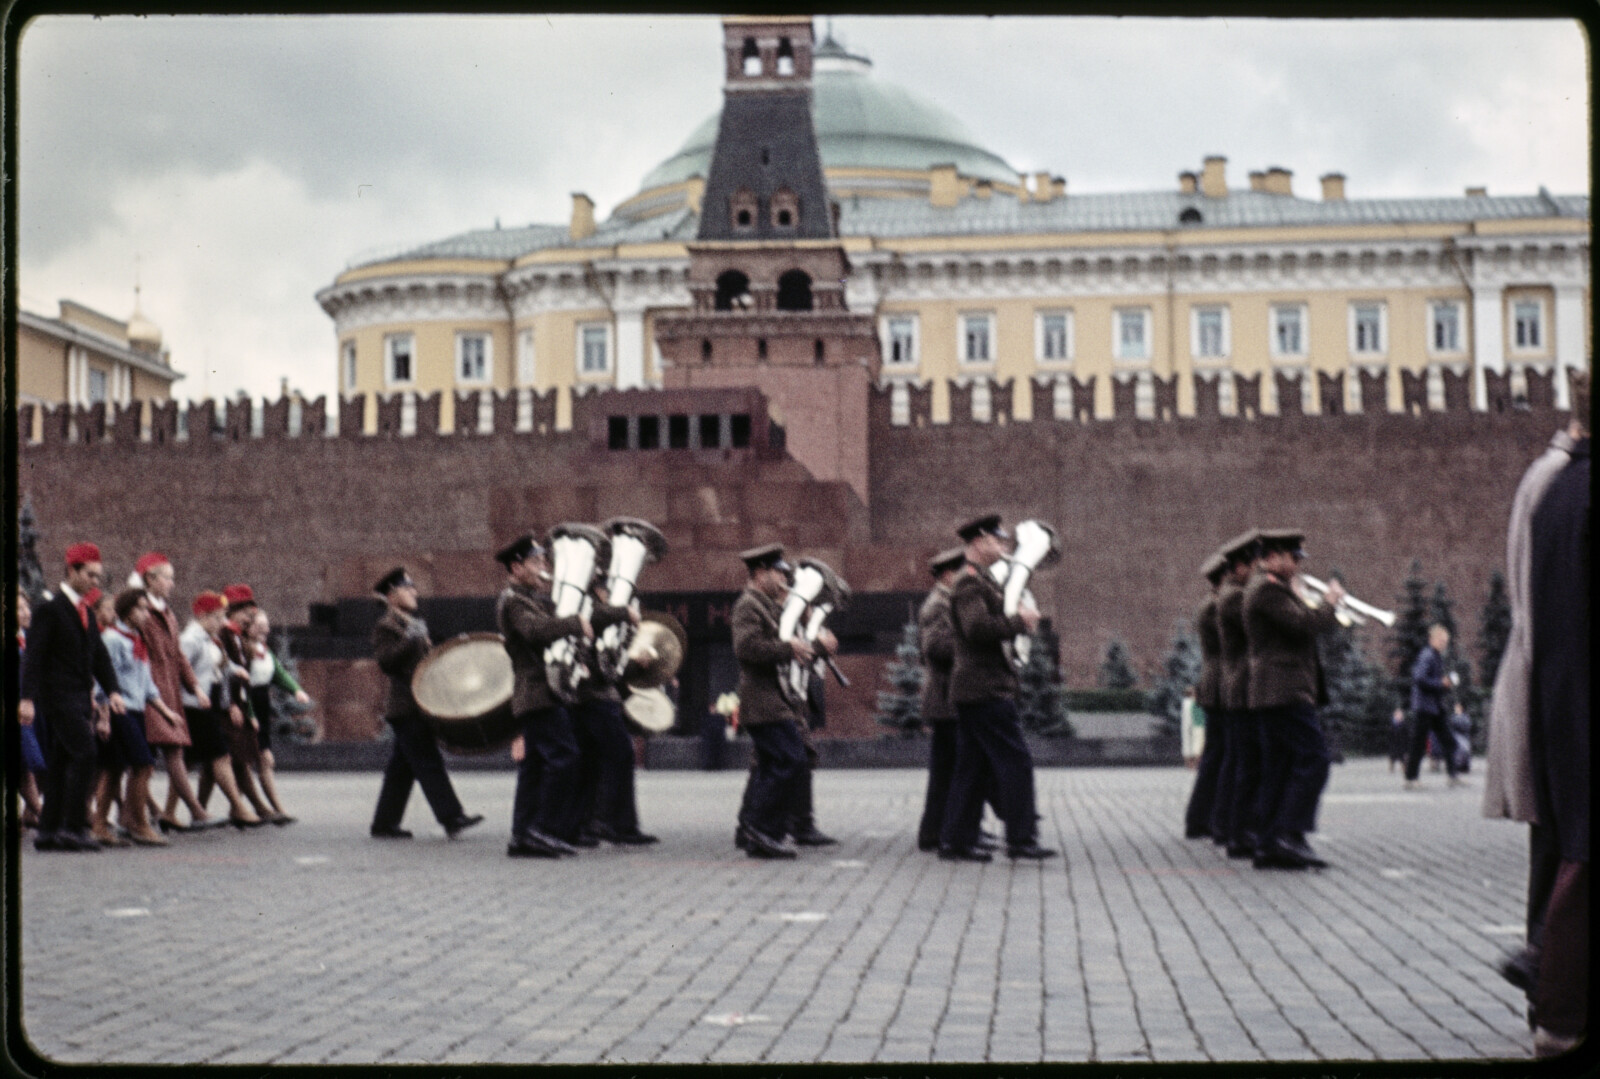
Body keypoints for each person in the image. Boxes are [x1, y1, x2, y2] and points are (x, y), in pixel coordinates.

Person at [1482, 383, 1584, 999]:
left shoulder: (1544, 479)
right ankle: (1550, 973)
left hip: (1549, 688)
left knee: (1558, 845)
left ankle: (1549, 985)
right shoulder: (1560, 481)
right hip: (1558, 685)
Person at [1525, 402, 1589, 1058]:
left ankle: (1556, 1001)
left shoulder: (1554, 491)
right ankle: (1559, 1006)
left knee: (1574, 851)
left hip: (1562, 697)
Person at [939, 514, 1055, 863]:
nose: (1003, 546)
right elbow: (976, 629)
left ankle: (956, 841)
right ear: (978, 542)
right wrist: (1020, 621)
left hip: (977, 688)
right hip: (984, 687)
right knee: (1015, 763)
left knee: (971, 769)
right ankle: (1021, 840)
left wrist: (1014, 614)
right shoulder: (969, 583)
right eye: (996, 540)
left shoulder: (982, 581)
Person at [1243, 529, 1343, 870]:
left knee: (1280, 767)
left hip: (1276, 692)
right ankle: (1289, 832)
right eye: (1293, 557)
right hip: (1283, 691)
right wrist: (1328, 603)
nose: (1298, 564)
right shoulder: (1267, 591)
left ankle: (1271, 843)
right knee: (1315, 758)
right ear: (1271, 558)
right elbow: (1304, 626)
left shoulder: (1275, 590)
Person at [24, 542, 127, 852]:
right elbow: (34, 657)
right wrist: (26, 698)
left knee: (61, 760)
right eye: (90, 575)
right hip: (57, 696)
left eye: (98, 576)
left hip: (80, 697)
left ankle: (48, 831)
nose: (96, 582)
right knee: (86, 753)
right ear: (72, 571)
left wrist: (113, 691)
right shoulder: (50, 609)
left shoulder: (85, 612)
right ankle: (73, 826)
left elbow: (99, 655)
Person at [369, 567, 483, 841]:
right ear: (392, 595)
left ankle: (384, 823)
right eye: (408, 588)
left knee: (402, 769)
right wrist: (411, 639)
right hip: (405, 706)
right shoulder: (387, 626)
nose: (414, 592)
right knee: (428, 761)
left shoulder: (412, 623)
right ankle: (451, 816)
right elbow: (386, 661)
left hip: (419, 703)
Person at [496, 537, 586, 858]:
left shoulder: (529, 599)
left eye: (543, 562)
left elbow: (550, 624)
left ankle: (523, 836)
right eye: (536, 563)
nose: (543, 569)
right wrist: (575, 622)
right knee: (564, 757)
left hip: (538, 693)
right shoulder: (513, 601)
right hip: (537, 693)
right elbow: (536, 631)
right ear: (516, 567)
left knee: (534, 766)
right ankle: (543, 830)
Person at [730, 544, 808, 860]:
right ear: (760, 572)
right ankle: (761, 829)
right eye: (778, 572)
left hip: (770, 698)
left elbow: (785, 642)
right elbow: (747, 648)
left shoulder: (766, 604)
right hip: (761, 700)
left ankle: (758, 831)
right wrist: (788, 648)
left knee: (770, 764)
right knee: (792, 759)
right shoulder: (749, 605)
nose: (783, 578)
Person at [131, 553, 216, 831]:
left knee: (154, 756)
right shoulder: (143, 612)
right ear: (150, 579)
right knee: (167, 751)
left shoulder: (166, 612)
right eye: (167, 577)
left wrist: (194, 687)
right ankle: (193, 811)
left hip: (168, 690)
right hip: (151, 691)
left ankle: (151, 813)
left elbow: (178, 655)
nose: (171, 584)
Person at [568, 580, 655, 847]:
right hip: (592, 696)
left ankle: (587, 824)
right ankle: (619, 825)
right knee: (620, 753)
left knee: (590, 761)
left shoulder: (604, 613)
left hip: (594, 696)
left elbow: (610, 663)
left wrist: (633, 660)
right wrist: (623, 613)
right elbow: (592, 619)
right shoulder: (589, 606)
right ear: (599, 589)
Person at [92, 588, 174, 847]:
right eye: (140, 609)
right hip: (119, 709)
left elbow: (147, 684)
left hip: (137, 709)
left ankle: (101, 824)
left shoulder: (137, 639)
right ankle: (137, 823)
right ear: (126, 611)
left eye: (147, 609)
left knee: (114, 767)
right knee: (143, 764)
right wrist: (103, 714)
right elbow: (102, 679)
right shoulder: (113, 640)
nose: (146, 615)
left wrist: (165, 710)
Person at [179, 592, 264, 828]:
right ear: (202, 616)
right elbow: (181, 670)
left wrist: (236, 670)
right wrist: (193, 692)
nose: (220, 623)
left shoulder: (210, 639)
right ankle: (239, 808)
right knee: (220, 756)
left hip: (211, 704)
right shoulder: (191, 639)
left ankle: (173, 812)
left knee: (186, 762)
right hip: (195, 706)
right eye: (216, 618)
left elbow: (221, 665)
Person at [916, 547, 975, 852]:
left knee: (948, 770)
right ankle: (937, 832)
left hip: (947, 698)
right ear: (948, 574)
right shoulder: (937, 605)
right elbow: (936, 647)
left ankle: (940, 830)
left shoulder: (946, 602)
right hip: (944, 699)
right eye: (963, 572)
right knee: (947, 770)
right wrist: (971, 645)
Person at [1211, 531, 1261, 858]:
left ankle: (1233, 829)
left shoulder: (1235, 593)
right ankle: (1239, 833)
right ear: (1240, 566)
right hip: (1241, 687)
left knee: (1241, 762)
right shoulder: (1234, 597)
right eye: (1255, 565)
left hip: (1242, 687)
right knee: (1247, 764)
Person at [244, 608, 305, 824]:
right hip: (247, 704)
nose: (265, 631)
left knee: (261, 758)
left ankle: (272, 809)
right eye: (260, 627)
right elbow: (241, 687)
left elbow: (278, 673)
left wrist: (295, 690)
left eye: (266, 627)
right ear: (247, 627)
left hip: (262, 703)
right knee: (259, 759)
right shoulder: (243, 650)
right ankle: (267, 808)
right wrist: (249, 713)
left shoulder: (264, 649)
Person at [1182, 551, 1227, 839]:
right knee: (1219, 755)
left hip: (1217, 682)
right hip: (1222, 683)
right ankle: (1203, 819)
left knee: (1216, 754)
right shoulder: (1217, 607)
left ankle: (1200, 819)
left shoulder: (1212, 604)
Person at [1403, 625, 1460, 789]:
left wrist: (1442, 684)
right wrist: (1440, 683)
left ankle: (1453, 776)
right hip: (1424, 707)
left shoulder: (1435, 656)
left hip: (1434, 707)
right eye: (1442, 641)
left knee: (1448, 740)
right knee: (1418, 743)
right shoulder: (1427, 656)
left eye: (1446, 641)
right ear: (1433, 639)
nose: (1444, 644)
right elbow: (1419, 679)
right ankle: (1411, 779)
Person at [15, 589, 47, 830]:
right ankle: (40, 810)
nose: (26, 613)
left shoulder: (26, 638)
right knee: (25, 762)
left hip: (32, 708)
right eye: (19, 608)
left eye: (27, 607)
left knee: (36, 760)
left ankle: (31, 811)